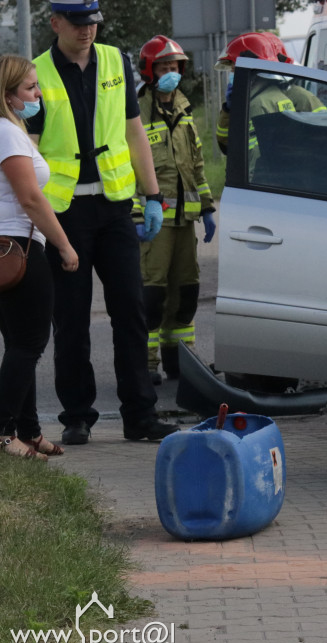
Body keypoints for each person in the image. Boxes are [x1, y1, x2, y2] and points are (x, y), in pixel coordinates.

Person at [27, 0, 177, 445]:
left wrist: (153, 197)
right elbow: (29, 145)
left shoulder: (116, 60)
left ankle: (141, 416)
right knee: (70, 319)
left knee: (130, 310)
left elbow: (134, 131)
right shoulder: (37, 72)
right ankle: (76, 415)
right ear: (55, 23)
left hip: (114, 207)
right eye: (77, 24)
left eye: (92, 23)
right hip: (65, 212)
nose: (86, 31)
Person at [0, 55, 79, 461]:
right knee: (29, 343)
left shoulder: (10, 130)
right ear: (9, 95)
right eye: (30, 88)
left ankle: (26, 431)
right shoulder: (8, 135)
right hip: (19, 249)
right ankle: (1, 430)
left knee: (18, 343)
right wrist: (64, 245)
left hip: (11, 248)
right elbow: (31, 199)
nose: (38, 94)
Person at [134, 35, 216, 385]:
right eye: (164, 67)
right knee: (152, 293)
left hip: (185, 219)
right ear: (150, 72)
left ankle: (179, 361)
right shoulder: (135, 111)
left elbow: (196, 164)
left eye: (175, 67)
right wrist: (137, 213)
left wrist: (208, 208)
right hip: (154, 222)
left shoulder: (183, 110)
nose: (171, 73)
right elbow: (129, 166)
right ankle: (146, 363)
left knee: (186, 291)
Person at [213, 31, 326, 155]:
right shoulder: (257, 99)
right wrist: (229, 110)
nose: (232, 75)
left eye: (235, 70)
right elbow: (227, 144)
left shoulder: (259, 103)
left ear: (250, 70)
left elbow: (251, 156)